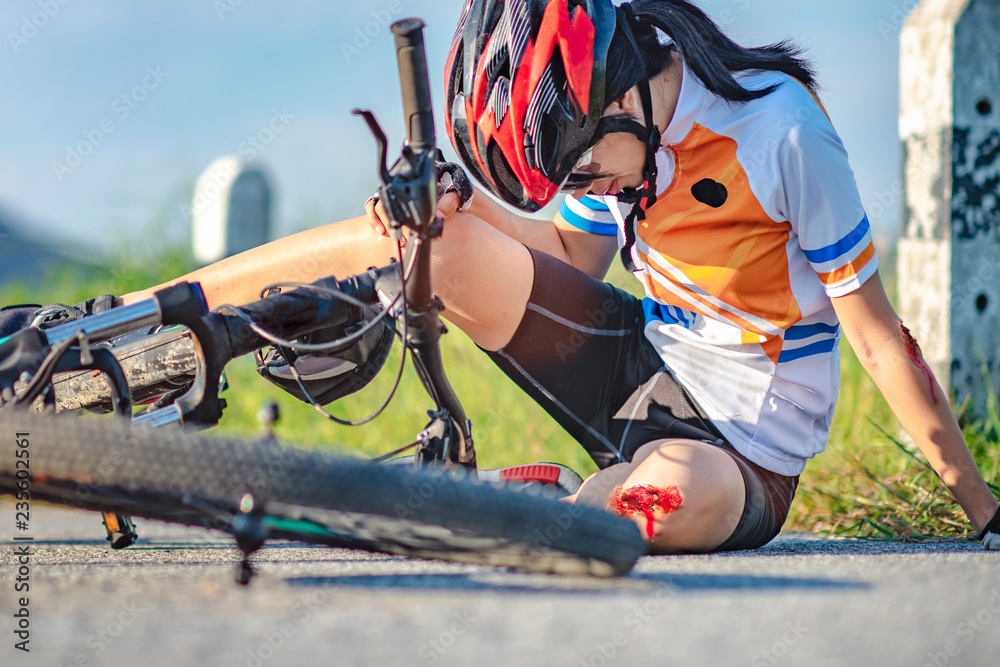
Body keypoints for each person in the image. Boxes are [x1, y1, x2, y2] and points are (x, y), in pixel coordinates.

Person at [121, 0, 1000, 553]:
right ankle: (134, 321)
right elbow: (575, 256)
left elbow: (879, 337)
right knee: (430, 231)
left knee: (634, 509)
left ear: (620, 101)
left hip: (741, 459)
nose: (588, 193)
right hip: (637, 368)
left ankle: (516, 507)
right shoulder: (616, 141)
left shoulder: (783, 135)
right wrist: (461, 204)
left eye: (582, 175)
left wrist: (980, 506)